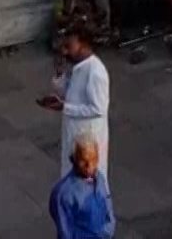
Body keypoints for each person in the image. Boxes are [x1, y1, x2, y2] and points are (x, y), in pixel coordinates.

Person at [40, 27, 109, 185]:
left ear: (83, 45)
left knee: (87, 180)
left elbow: (98, 108)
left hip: (88, 137)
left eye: (70, 46)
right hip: (74, 133)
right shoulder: (77, 67)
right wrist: (59, 73)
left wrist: (65, 107)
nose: (66, 52)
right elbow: (67, 90)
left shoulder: (95, 72)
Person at [49, 138, 113, 239]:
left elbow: (108, 207)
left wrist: (107, 230)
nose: (89, 166)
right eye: (84, 161)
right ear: (74, 159)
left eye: (94, 159)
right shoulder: (64, 192)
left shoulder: (99, 179)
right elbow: (65, 231)